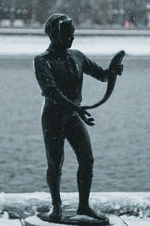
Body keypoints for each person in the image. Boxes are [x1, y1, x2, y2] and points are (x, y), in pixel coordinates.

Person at [34, 13, 123, 222]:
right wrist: (78, 108)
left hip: (73, 115)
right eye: (67, 34)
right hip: (53, 117)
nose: (72, 38)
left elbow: (101, 75)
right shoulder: (42, 61)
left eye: (73, 34)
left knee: (87, 159)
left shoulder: (77, 56)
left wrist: (113, 70)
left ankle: (84, 207)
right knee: (55, 163)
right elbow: (52, 91)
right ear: (54, 35)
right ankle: (56, 208)